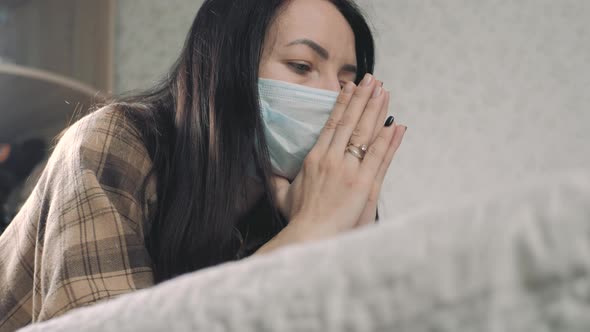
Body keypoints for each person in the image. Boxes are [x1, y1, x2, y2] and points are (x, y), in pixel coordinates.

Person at [0, 0, 407, 330]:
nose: (332, 97)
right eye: (301, 66)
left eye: (345, 83)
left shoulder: (285, 200)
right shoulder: (114, 141)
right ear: (223, 67)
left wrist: (348, 243)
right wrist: (308, 234)